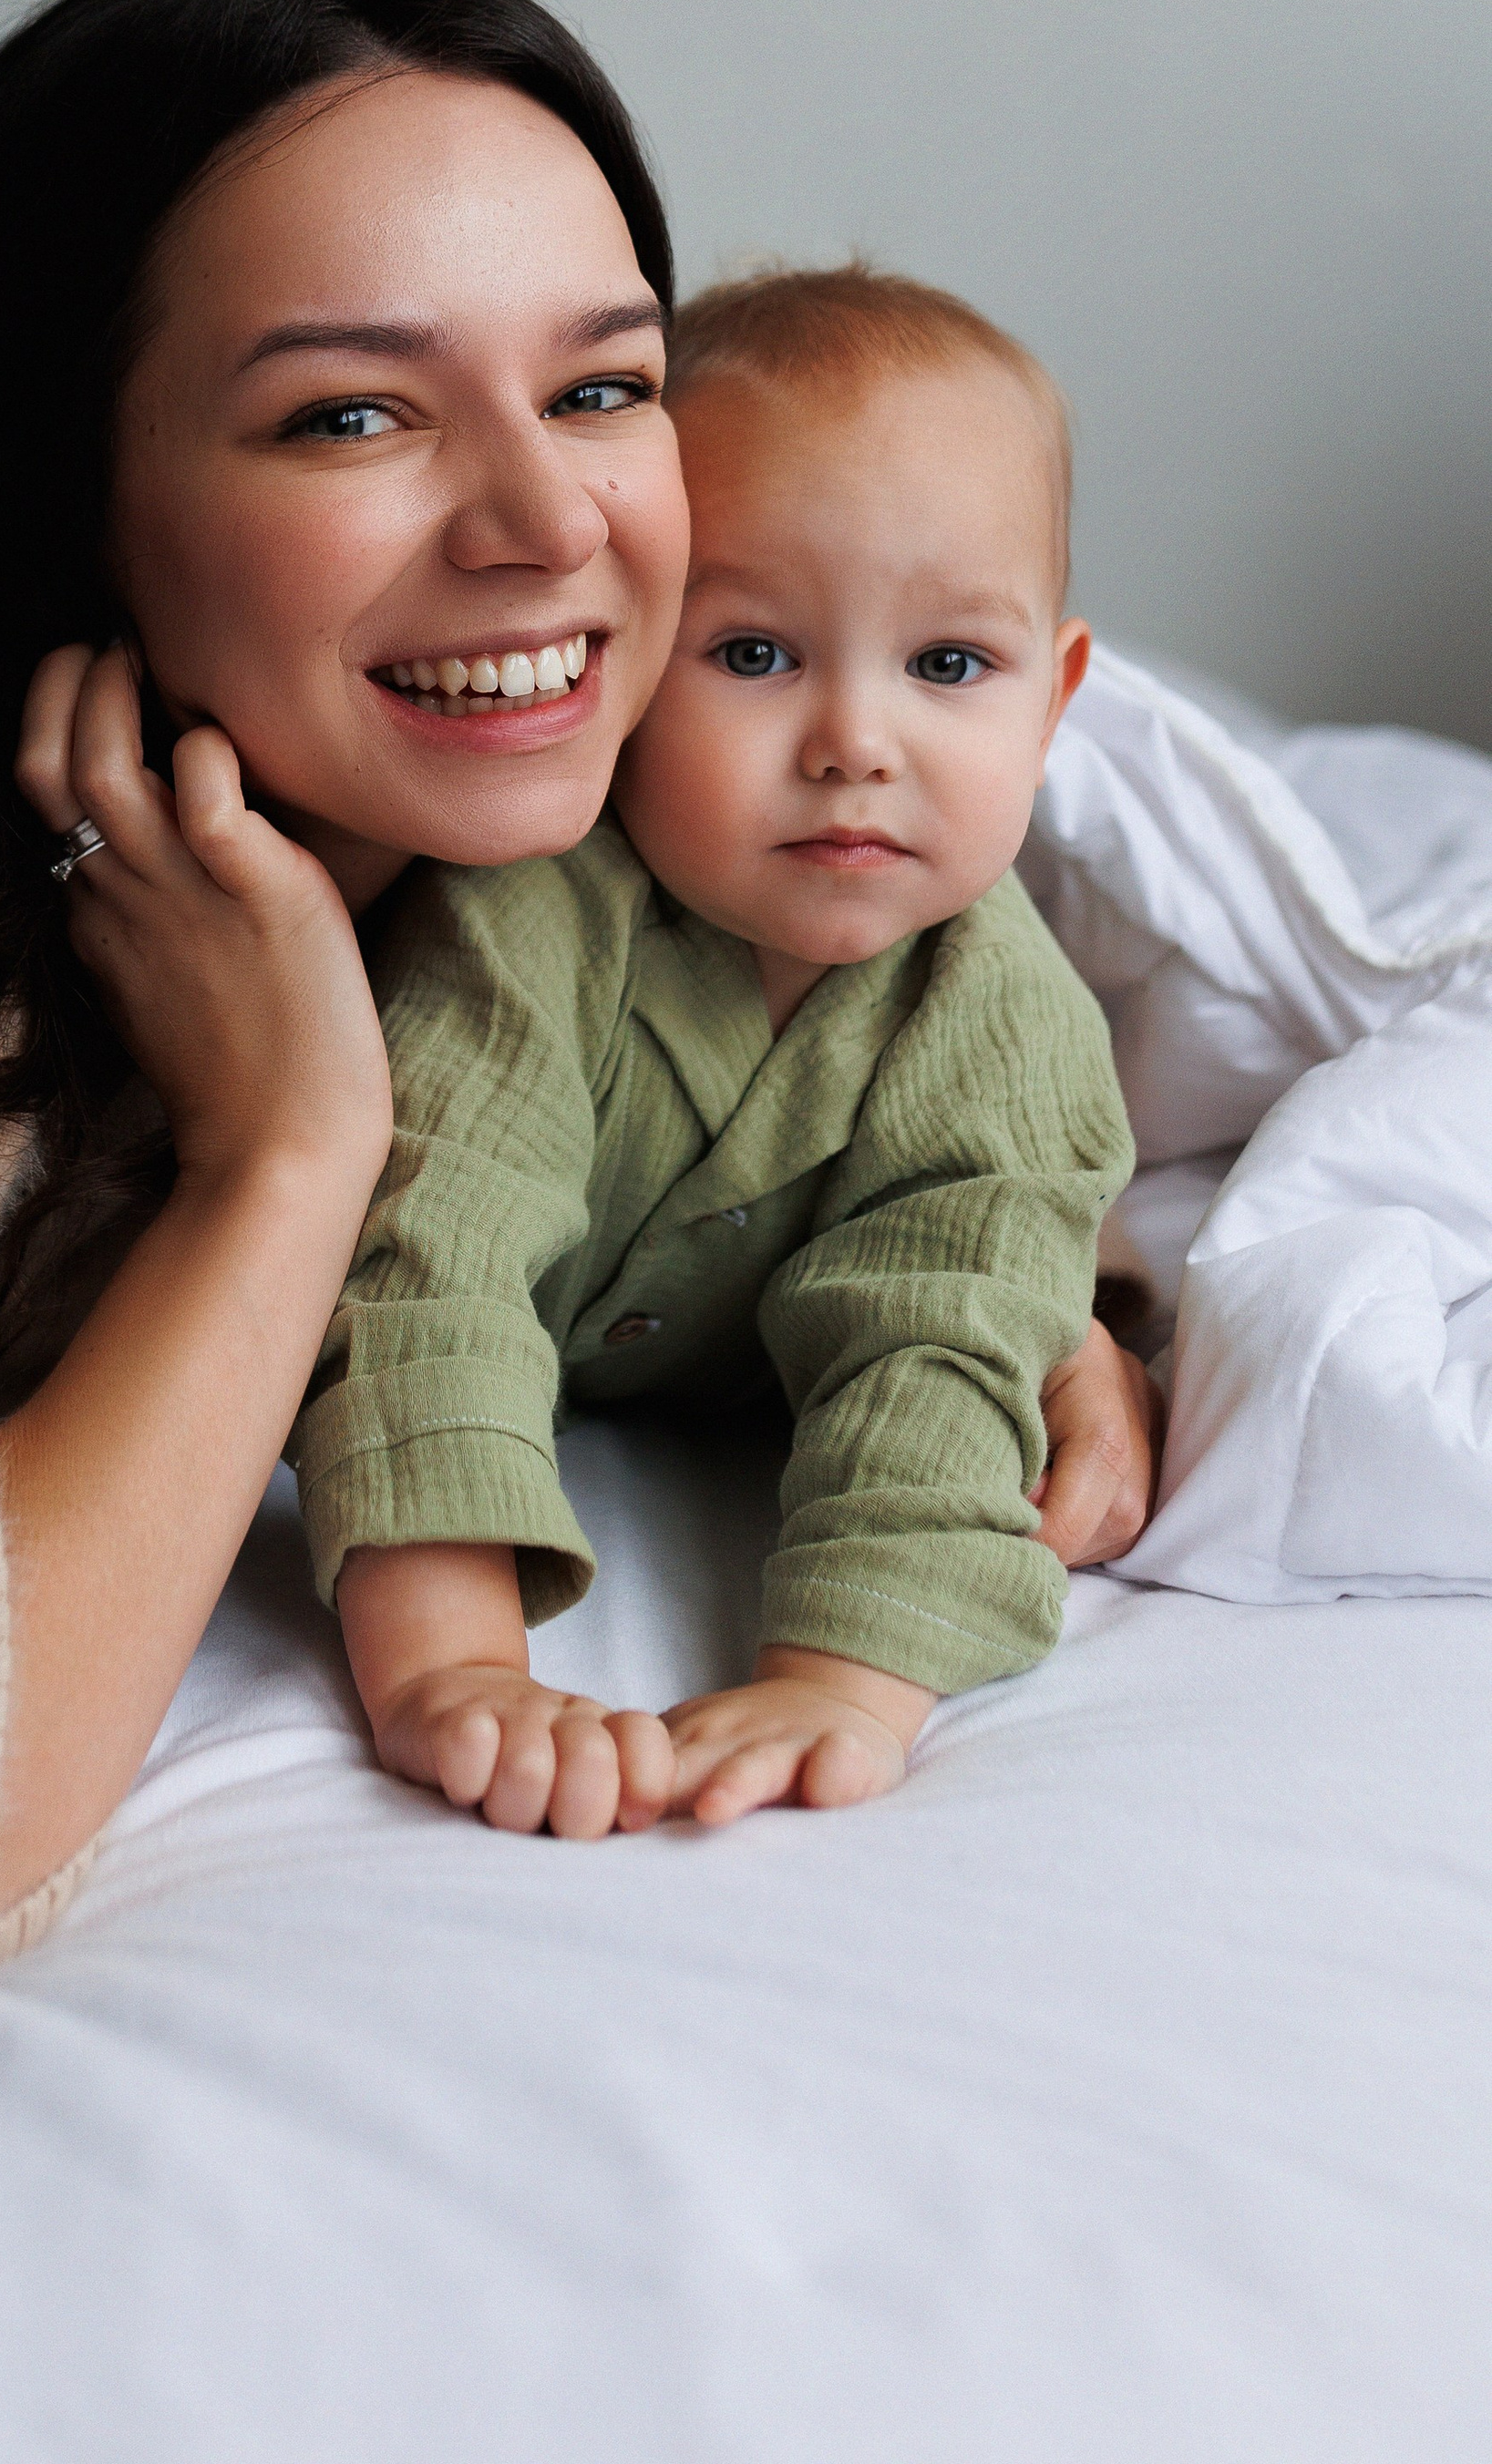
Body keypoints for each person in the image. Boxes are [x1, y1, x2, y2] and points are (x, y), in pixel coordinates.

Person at [0, 0, 1157, 2007]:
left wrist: (1017, 1281)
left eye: (601, 384)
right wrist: (286, 1152)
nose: (550, 522)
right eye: (347, 412)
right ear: (64, 494)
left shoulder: (669, 785)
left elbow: (865, 1091)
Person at [287, 266, 1137, 1842]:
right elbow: (422, 1259)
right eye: (754, 656)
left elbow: (940, 1350)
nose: (855, 742)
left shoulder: (1005, 1021)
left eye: (949, 665)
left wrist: (846, 1680)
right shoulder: (527, 916)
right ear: (625, 657)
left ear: (1055, 699)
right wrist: (450, 1666)